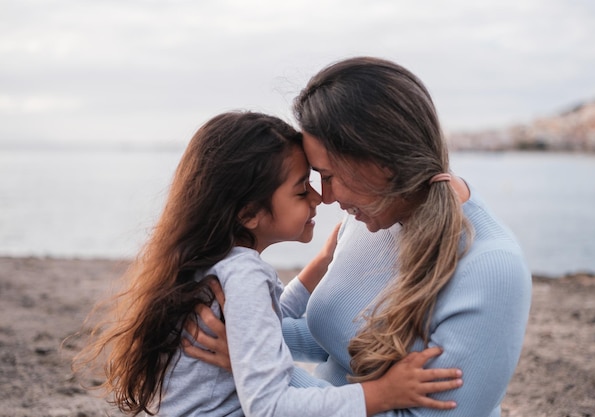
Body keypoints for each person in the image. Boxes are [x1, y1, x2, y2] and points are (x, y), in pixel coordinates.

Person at [186, 57, 533, 416]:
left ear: (380, 163)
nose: (327, 196)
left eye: (329, 175)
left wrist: (261, 374)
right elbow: (331, 335)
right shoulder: (370, 218)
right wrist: (246, 339)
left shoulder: (492, 270)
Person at [72, 111, 463, 416]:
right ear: (249, 213)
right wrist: (380, 395)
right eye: (300, 189)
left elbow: (266, 320)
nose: (317, 198)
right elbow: (271, 407)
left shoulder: (216, 262)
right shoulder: (243, 274)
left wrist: (323, 263)